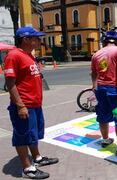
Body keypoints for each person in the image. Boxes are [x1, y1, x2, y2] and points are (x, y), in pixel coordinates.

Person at [4, 26, 58, 179]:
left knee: (33, 135)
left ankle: (37, 158)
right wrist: (20, 106)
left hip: (35, 105)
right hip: (24, 105)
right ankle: (28, 168)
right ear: (26, 39)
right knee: (22, 136)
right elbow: (10, 83)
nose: (39, 41)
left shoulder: (28, 55)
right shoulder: (14, 55)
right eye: (36, 38)